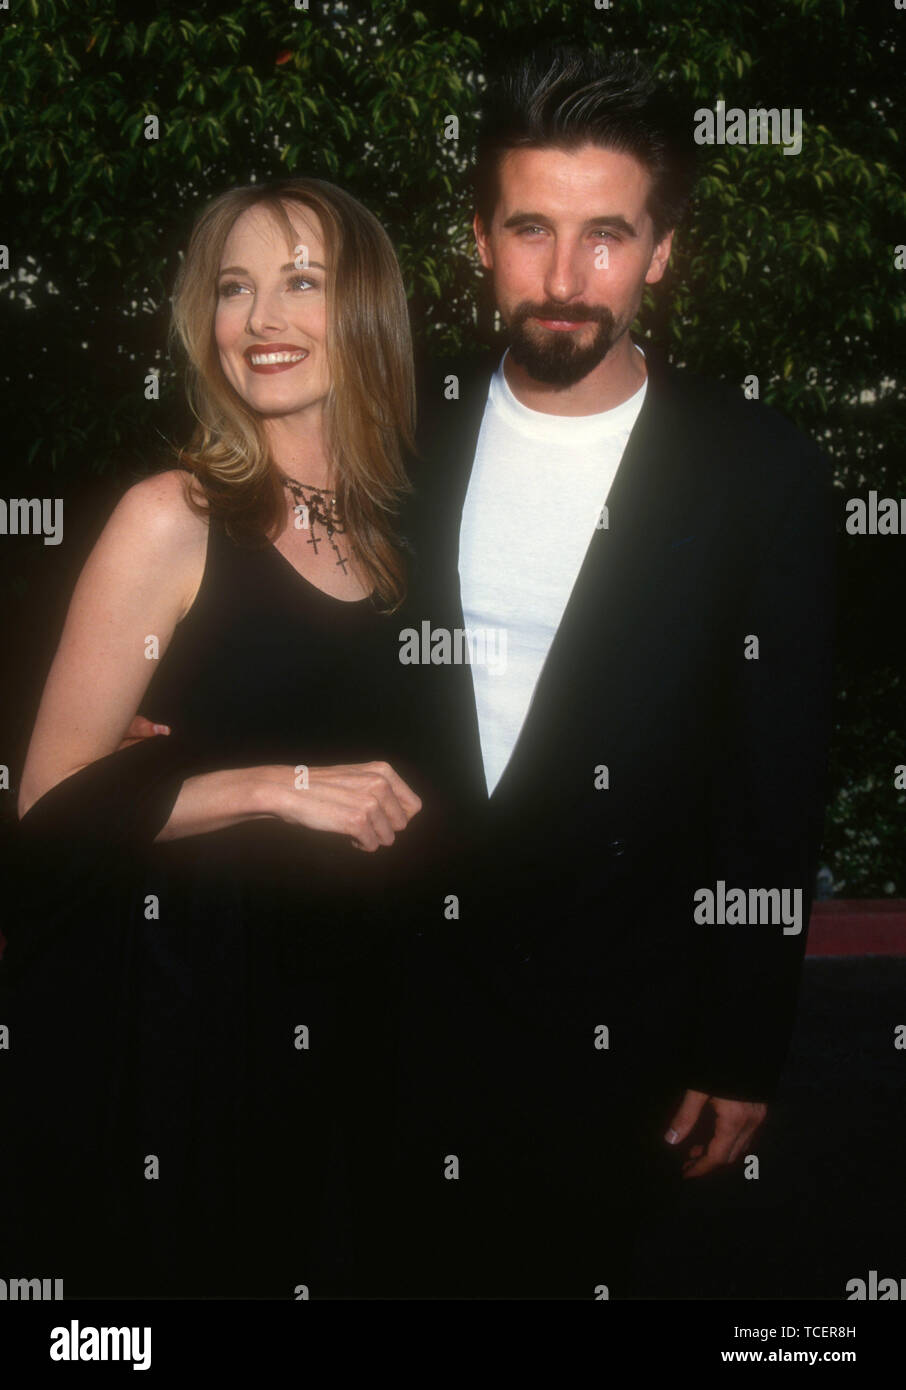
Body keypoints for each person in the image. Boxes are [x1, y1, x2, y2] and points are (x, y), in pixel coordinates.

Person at [388, 44, 837, 1298]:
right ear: (480, 236)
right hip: (379, 1006)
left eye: (607, 234)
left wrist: (744, 1045)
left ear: (662, 251)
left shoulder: (762, 473)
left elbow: (776, 778)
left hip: (617, 1032)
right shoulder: (393, 432)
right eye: (532, 228)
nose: (567, 276)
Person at [3, 177, 433, 1299]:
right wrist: (276, 785)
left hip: (374, 1011)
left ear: (368, 311)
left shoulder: (409, 525)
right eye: (235, 289)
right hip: (203, 1019)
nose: (261, 320)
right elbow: (49, 806)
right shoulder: (174, 515)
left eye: (301, 282)